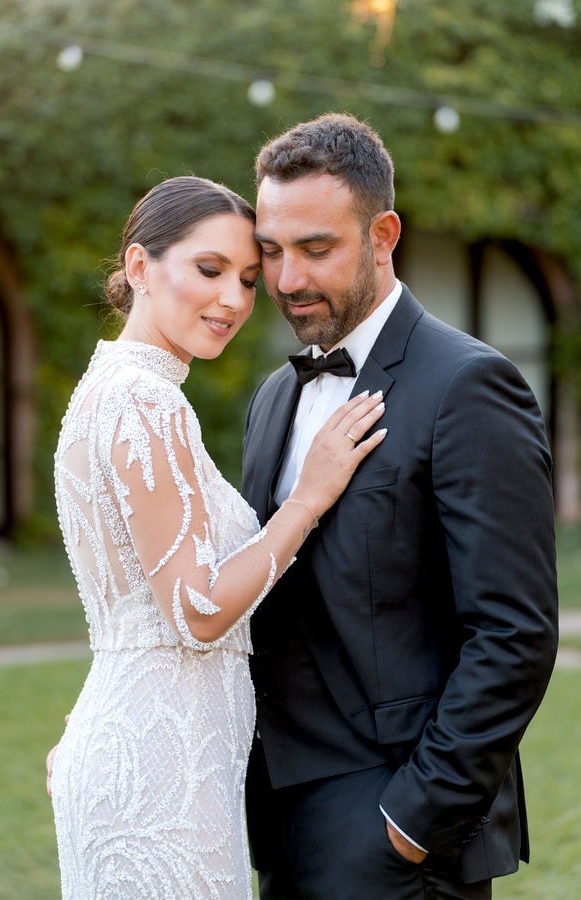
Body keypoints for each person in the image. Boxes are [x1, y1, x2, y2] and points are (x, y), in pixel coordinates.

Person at [241, 112, 559, 899]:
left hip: (394, 836)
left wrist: (411, 825)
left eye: (316, 249)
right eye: (272, 251)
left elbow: (514, 633)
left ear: (383, 235)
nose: (287, 280)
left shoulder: (468, 385)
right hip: (274, 824)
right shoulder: (273, 397)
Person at [47, 174, 388, 899]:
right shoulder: (145, 402)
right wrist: (309, 498)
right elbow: (196, 612)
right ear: (139, 267)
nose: (232, 299)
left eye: (245, 279)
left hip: (150, 746)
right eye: (209, 271)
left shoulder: (111, 387)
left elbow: (136, 609)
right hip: (161, 769)